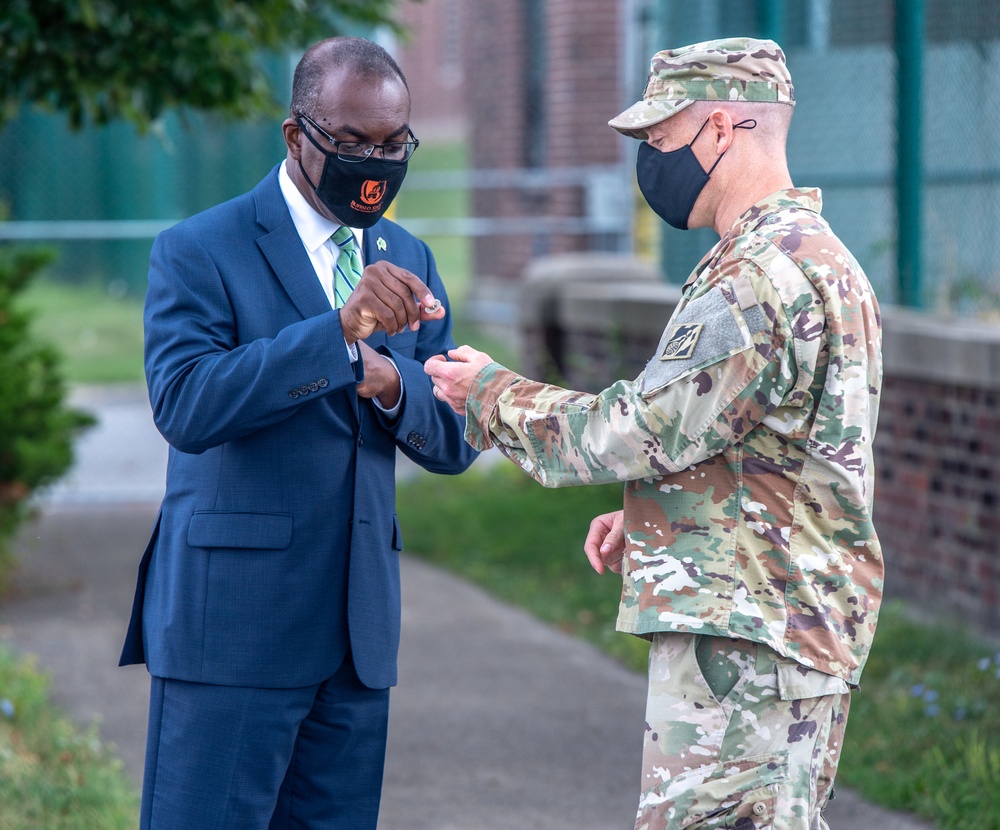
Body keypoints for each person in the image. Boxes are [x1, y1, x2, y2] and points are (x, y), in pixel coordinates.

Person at [425, 37, 882, 830]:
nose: (649, 162)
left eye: (659, 140)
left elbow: (634, 430)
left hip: (750, 641)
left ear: (718, 129)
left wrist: (492, 395)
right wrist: (660, 516)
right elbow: (769, 449)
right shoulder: (818, 257)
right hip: (779, 621)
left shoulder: (755, 279)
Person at [119, 36, 478, 829]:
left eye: (392, 144)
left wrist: (391, 383)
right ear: (297, 135)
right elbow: (185, 404)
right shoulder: (199, 248)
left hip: (357, 636)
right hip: (233, 631)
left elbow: (456, 435)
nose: (374, 162)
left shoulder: (405, 252)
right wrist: (340, 335)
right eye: (351, 144)